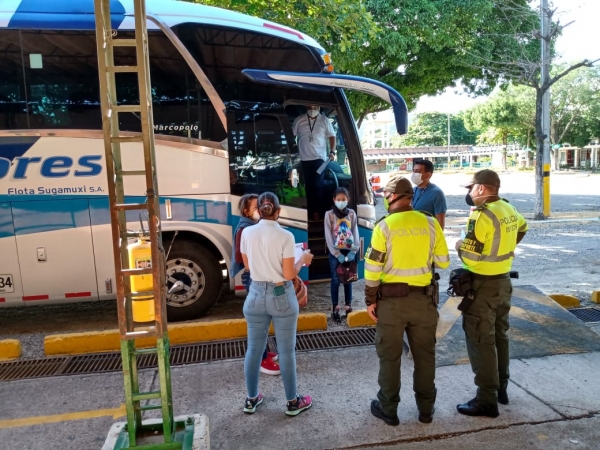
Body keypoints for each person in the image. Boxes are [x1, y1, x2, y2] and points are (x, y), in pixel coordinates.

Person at [365, 174, 450, 426]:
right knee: (425, 356)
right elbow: (444, 262)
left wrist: (371, 300)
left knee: (390, 357)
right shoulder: (431, 223)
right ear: (410, 197)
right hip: (424, 303)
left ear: (391, 197)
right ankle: (426, 410)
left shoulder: (384, 226)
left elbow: (372, 270)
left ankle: (388, 409)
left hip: (391, 305)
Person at [454, 169, 527, 418]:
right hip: (503, 282)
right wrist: (503, 250)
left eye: (471, 188)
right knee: (500, 336)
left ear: (482, 188)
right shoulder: (508, 208)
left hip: (483, 286)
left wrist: (458, 246)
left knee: (480, 341)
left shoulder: (480, 216)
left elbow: (471, 258)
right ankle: (501, 389)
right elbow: (523, 227)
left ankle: (486, 399)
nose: (470, 192)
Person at [240, 191, 315, 416]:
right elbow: (290, 273)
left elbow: (248, 266)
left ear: (258, 211)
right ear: (278, 211)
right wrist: (303, 259)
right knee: (286, 351)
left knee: (253, 349)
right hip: (281, 295)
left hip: (254, 294)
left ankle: (251, 399)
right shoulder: (286, 236)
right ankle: (293, 402)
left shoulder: (247, 232)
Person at [230, 194, 280, 376]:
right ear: (246, 212)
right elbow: (239, 257)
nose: (260, 209)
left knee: (264, 318)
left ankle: (264, 352)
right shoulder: (245, 230)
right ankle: (262, 359)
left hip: (256, 276)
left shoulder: (253, 227)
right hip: (254, 277)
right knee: (260, 320)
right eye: (256, 207)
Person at [292, 105, 336, 221]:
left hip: (320, 159)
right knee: (307, 186)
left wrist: (332, 151)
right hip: (303, 159)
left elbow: (332, 137)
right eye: (310, 106)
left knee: (317, 185)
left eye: (315, 106)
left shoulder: (325, 120)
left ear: (319, 107)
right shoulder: (299, 120)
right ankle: (308, 211)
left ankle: (317, 212)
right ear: (306, 107)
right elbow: (292, 136)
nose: (312, 109)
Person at [324, 187, 360, 324]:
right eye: (338, 199)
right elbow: (328, 235)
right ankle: (335, 308)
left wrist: (353, 251)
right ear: (334, 200)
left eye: (343, 199)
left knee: (348, 278)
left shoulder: (351, 214)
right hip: (335, 253)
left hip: (349, 251)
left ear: (348, 200)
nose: (341, 202)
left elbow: (355, 232)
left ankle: (348, 306)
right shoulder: (329, 215)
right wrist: (336, 253)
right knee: (335, 279)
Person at [410, 159, 447, 229]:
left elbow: (440, 223)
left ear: (428, 175)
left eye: (417, 171)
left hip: (428, 235)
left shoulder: (437, 193)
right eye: (413, 171)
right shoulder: (412, 191)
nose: (414, 174)